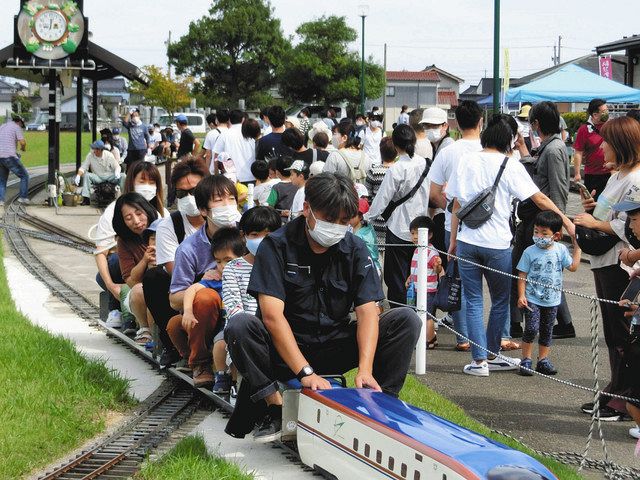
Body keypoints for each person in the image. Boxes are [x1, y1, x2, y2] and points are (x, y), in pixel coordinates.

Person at [224, 173, 421, 441]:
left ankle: (380, 405)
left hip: (333, 343)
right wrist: (305, 372)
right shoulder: (276, 246)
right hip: (283, 349)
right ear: (307, 209)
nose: (337, 227)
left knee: (405, 320)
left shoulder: (355, 248)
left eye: (344, 221)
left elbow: (367, 311)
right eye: (330, 219)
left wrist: (364, 369)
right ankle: (274, 407)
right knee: (240, 326)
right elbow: (271, 316)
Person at [447, 114, 574, 377]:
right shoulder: (510, 164)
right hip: (498, 244)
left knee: (472, 301)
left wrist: (452, 240)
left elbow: (457, 204)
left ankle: (479, 361)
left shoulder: (465, 160)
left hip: (467, 241)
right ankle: (492, 354)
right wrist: (566, 222)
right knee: (500, 301)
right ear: (508, 139)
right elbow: (538, 198)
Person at [574, 116, 640, 420]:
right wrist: (593, 208)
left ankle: (625, 397)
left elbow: (629, 225)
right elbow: (610, 212)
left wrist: (594, 222)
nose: (602, 148)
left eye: (607, 143)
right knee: (613, 330)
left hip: (621, 262)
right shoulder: (618, 175)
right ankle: (617, 390)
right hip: (604, 259)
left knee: (622, 330)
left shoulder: (635, 179)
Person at [510, 101, 575, 341]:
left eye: (531, 123)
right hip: (538, 221)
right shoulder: (549, 147)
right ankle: (554, 322)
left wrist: (555, 225)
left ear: (537, 124)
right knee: (541, 272)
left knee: (526, 270)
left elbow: (558, 190)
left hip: (542, 222)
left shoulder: (554, 148)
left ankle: (527, 323)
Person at [166, 175, 240, 386]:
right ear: (203, 210)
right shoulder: (189, 249)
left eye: (231, 200)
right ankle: (200, 362)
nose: (227, 206)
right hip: (208, 315)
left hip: (240, 307)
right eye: (219, 201)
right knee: (206, 298)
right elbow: (174, 299)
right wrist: (201, 285)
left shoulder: (247, 235)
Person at [427, 100, 483, 350]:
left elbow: (435, 192)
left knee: (459, 282)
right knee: (491, 286)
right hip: (490, 228)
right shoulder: (490, 148)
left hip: (457, 226)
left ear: (455, 124)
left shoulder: (448, 152)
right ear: (481, 120)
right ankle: (494, 338)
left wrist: (452, 209)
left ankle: (463, 338)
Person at [141, 157, 207, 367]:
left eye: (194, 191)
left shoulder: (223, 218)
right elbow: (173, 270)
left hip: (219, 280)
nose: (189, 198)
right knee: (154, 277)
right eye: (182, 193)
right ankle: (172, 344)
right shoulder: (169, 225)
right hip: (184, 282)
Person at [215, 207, 282, 393]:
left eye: (268, 234)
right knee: (240, 328)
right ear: (244, 236)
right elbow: (233, 306)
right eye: (255, 234)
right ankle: (247, 386)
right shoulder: (233, 268)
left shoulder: (284, 265)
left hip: (278, 327)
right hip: (247, 330)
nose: (262, 239)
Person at [93, 161, 167, 329]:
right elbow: (101, 252)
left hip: (153, 272)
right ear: (131, 182)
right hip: (125, 270)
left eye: (152, 182)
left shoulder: (162, 214)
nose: (136, 221)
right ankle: (117, 308)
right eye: (142, 181)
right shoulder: (115, 210)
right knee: (115, 262)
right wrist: (112, 287)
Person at [365, 124, 430, 309]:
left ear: (395, 144)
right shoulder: (426, 163)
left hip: (399, 228)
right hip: (422, 228)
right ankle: (420, 313)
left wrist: (367, 217)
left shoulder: (396, 169)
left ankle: (401, 316)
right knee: (418, 274)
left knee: (396, 278)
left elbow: (382, 199)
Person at [179, 226, 244, 390]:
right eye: (218, 261)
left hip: (244, 322)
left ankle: (238, 382)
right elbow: (192, 289)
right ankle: (222, 376)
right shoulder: (214, 279)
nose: (222, 266)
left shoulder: (247, 276)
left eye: (228, 260)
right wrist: (187, 311)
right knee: (221, 345)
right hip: (224, 326)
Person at [516, 211, 581, 376]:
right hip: (532, 298)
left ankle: (543, 360)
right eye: (536, 232)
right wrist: (521, 295)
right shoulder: (529, 252)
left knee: (547, 330)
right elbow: (522, 275)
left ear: (556, 235)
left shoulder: (560, 250)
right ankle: (526, 360)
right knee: (531, 328)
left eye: (544, 233)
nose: (539, 236)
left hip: (552, 300)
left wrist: (578, 247)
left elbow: (572, 267)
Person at [112, 192, 159, 345]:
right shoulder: (124, 242)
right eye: (128, 218)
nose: (136, 221)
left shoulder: (162, 227)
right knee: (139, 290)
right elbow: (130, 280)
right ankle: (145, 329)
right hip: (140, 290)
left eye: (139, 214)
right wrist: (145, 260)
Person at [406, 216, 442, 348]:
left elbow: (437, 269)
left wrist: (438, 265)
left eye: (418, 233)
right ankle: (428, 337)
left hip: (428, 290)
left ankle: (430, 339)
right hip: (416, 288)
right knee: (420, 313)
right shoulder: (417, 250)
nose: (415, 236)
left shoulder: (431, 252)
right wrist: (410, 278)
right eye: (413, 233)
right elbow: (415, 269)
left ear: (430, 234)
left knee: (427, 316)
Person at [573, 98, 610, 199]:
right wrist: (577, 173)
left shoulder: (609, 126)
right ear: (595, 115)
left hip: (610, 172)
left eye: (607, 110)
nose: (606, 113)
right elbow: (578, 152)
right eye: (603, 111)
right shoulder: (584, 130)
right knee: (592, 204)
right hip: (592, 174)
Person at [212, 109, 256, 183]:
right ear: (243, 119)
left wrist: (216, 175)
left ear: (229, 120)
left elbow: (216, 156)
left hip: (231, 178)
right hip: (251, 176)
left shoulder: (224, 135)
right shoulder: (250, 133)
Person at [74, 140, 122, 206]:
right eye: (94, 149)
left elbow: (117, 166)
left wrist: (117, 172)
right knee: (87, 175)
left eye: (96, 149)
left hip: (109, 175)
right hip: (98, 176)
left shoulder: (109, 155)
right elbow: (83, 167)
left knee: (123, 176)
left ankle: (124, 196)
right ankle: (86, 198)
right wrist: (78, 175)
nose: (94, 151)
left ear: (101, 150)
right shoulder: (90, 155)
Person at [0, 114, 28, 205]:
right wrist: (23, 148)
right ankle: (23, 197)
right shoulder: (16, 127)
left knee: (2, 180)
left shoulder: (2, 126)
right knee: (24, 176)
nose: (21, 127)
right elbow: (22, 142)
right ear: (19, 122)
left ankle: (1, 200)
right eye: (22, 125)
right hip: (9, 156)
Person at [350, 198, 381, 275]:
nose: (348, 216)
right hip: (372, 268)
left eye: (352, 214)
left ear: (360, 217)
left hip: (369, 271)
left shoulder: (360, 236)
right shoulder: (368, 227)